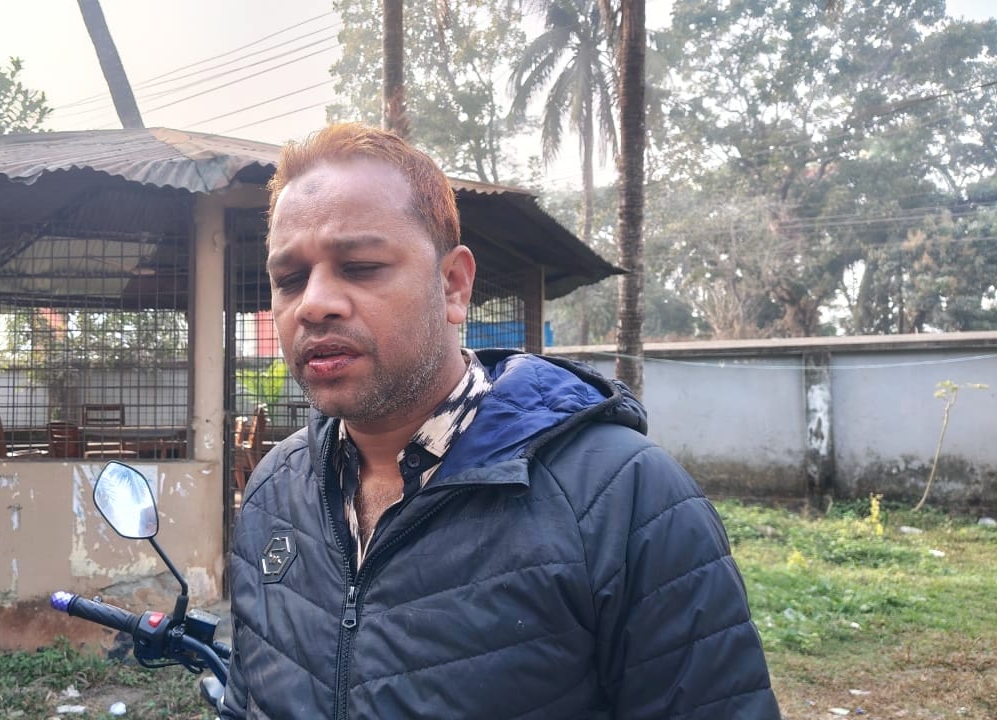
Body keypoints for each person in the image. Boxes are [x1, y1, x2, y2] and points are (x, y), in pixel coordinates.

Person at [220, 123, 781, 719]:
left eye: (359, 266)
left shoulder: (625, 499)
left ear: (453, 285)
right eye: (289, 279)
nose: (313, 304)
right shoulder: (273, 490)